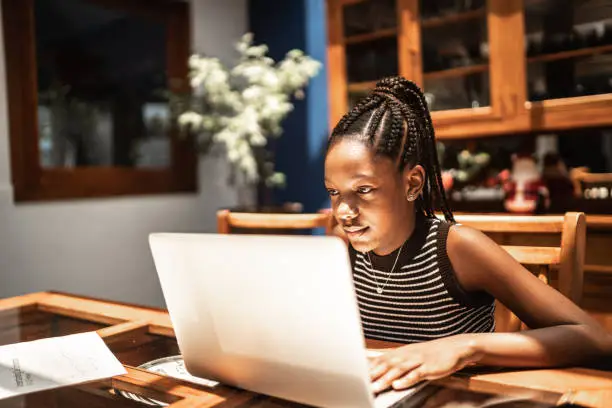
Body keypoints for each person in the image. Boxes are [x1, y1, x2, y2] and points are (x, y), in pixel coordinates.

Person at [323, 76, 611, 393]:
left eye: (363, 190)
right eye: (334, 193)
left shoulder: (456, 249)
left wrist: (466, 346)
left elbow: (592, 337)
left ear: (412, 184)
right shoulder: (341, 248)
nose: (345, 211)